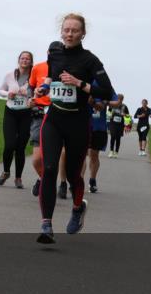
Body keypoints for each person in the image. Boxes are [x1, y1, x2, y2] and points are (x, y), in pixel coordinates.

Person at [34, 13, 116, 243]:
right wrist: (44, 88)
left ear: (82, 34)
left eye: (74, 31)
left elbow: (107, 92)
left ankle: (78, 207)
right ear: (61, 31)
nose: (69, 34)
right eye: (66, 30)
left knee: (72, 175)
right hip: (54, 119)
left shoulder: (90, 60)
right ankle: (46, 225)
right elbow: (51, 76)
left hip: (78, 122)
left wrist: (80, 83)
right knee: (49, 168)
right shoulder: (55, 52)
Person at [28, 43, 66, 198]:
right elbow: (31, 87)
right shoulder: (38, 67)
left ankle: (60, 183)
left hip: (60, 114)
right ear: (48, 52)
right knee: (37, 159)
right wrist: (32, 97)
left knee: (60, 154)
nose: (55, 55)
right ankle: (42, 178)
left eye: (59, 52)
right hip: (40, 113)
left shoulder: (68, 68)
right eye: (53, 52)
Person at [0, 51, 33, 188]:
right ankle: (6, 172)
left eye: (27, 59)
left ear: (30, 62)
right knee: (9, 145)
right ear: (19, 60)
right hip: (10, 112)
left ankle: (18, 178)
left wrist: (29, 94)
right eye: (22, 58)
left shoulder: (33, 77)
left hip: (26, 113)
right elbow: (0, 90)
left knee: (20, 147)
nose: (24, 60)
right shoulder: (9, 75)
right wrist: (8, 94)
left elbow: (38, 92)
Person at [86, 88, 120, 193]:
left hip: (99, 128)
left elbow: (117, 102)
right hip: (82, 125)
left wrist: (106, 102)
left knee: (93, 155)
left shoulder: (104, 84)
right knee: (81, 155)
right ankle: (78, 183)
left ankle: (92, 180)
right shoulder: (82, 79)